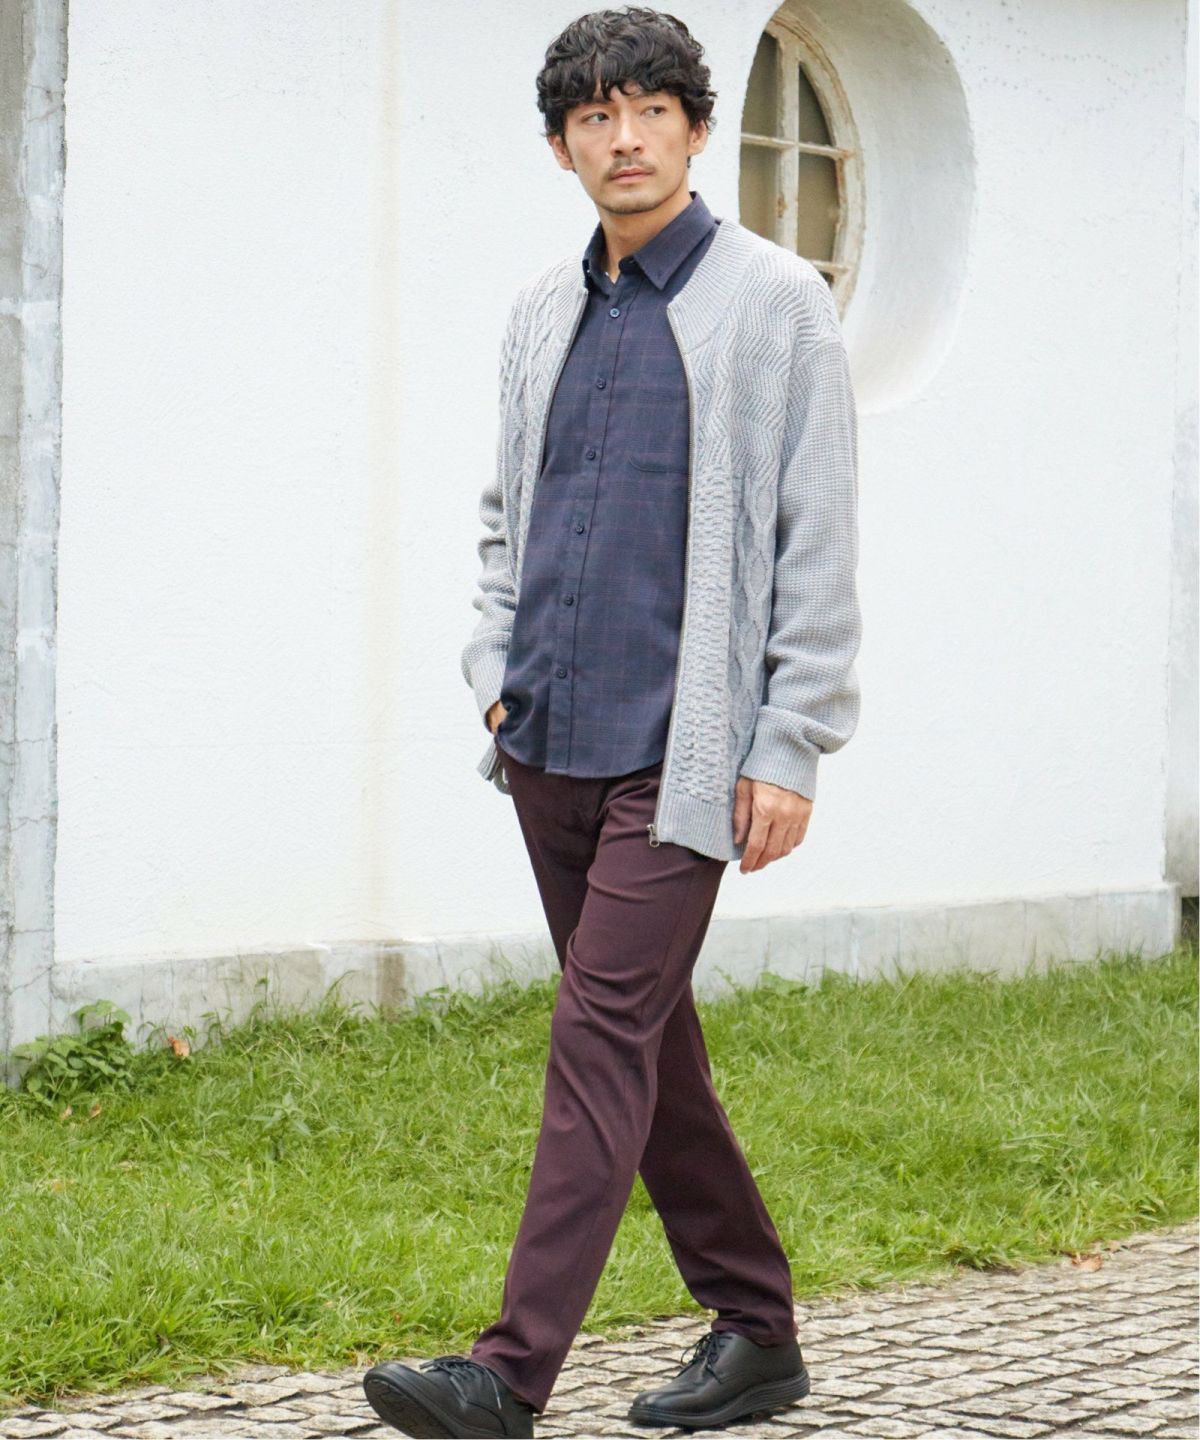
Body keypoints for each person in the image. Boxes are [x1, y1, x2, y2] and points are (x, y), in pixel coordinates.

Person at [364, 7, 862, 1436]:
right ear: (562, 146)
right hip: (546, 743)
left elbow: (816, 536)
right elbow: (504, 520)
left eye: (650, 110)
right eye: (594, 116)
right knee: (652, 1051)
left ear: (698, 129)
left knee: (598, 1036)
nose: (624, 138)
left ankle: (507, 1374)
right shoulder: (543, 309)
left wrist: (791, 740)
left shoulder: (777, 303)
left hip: (678, 757)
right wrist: (493, 671)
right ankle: (757, 1329)